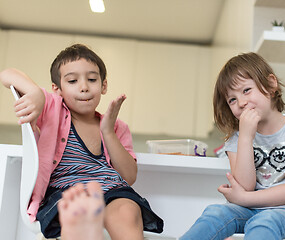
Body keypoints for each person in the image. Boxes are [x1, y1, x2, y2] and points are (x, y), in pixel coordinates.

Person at [0, 44, 163, 240]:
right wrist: (35, 92)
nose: (84, 86)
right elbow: (7, 74)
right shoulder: (51, 109)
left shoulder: (117, 126)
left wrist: (108, 132)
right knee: (78, 213)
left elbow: (129, 177)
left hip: (113, 191)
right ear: (57, 89)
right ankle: (86, 229)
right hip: (67, 193)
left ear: (104, 86)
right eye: (72, 81)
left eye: (92, 79)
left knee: (127, 210)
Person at [180, 52, 285, 240]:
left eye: (246, 90)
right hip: (247, 212)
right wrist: (246, 137)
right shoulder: (236, 139)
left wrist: (244, 199)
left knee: (265, 221)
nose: (242, 103)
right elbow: (246, 185)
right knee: (214, 213)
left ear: (270, 84)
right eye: (232, 100)